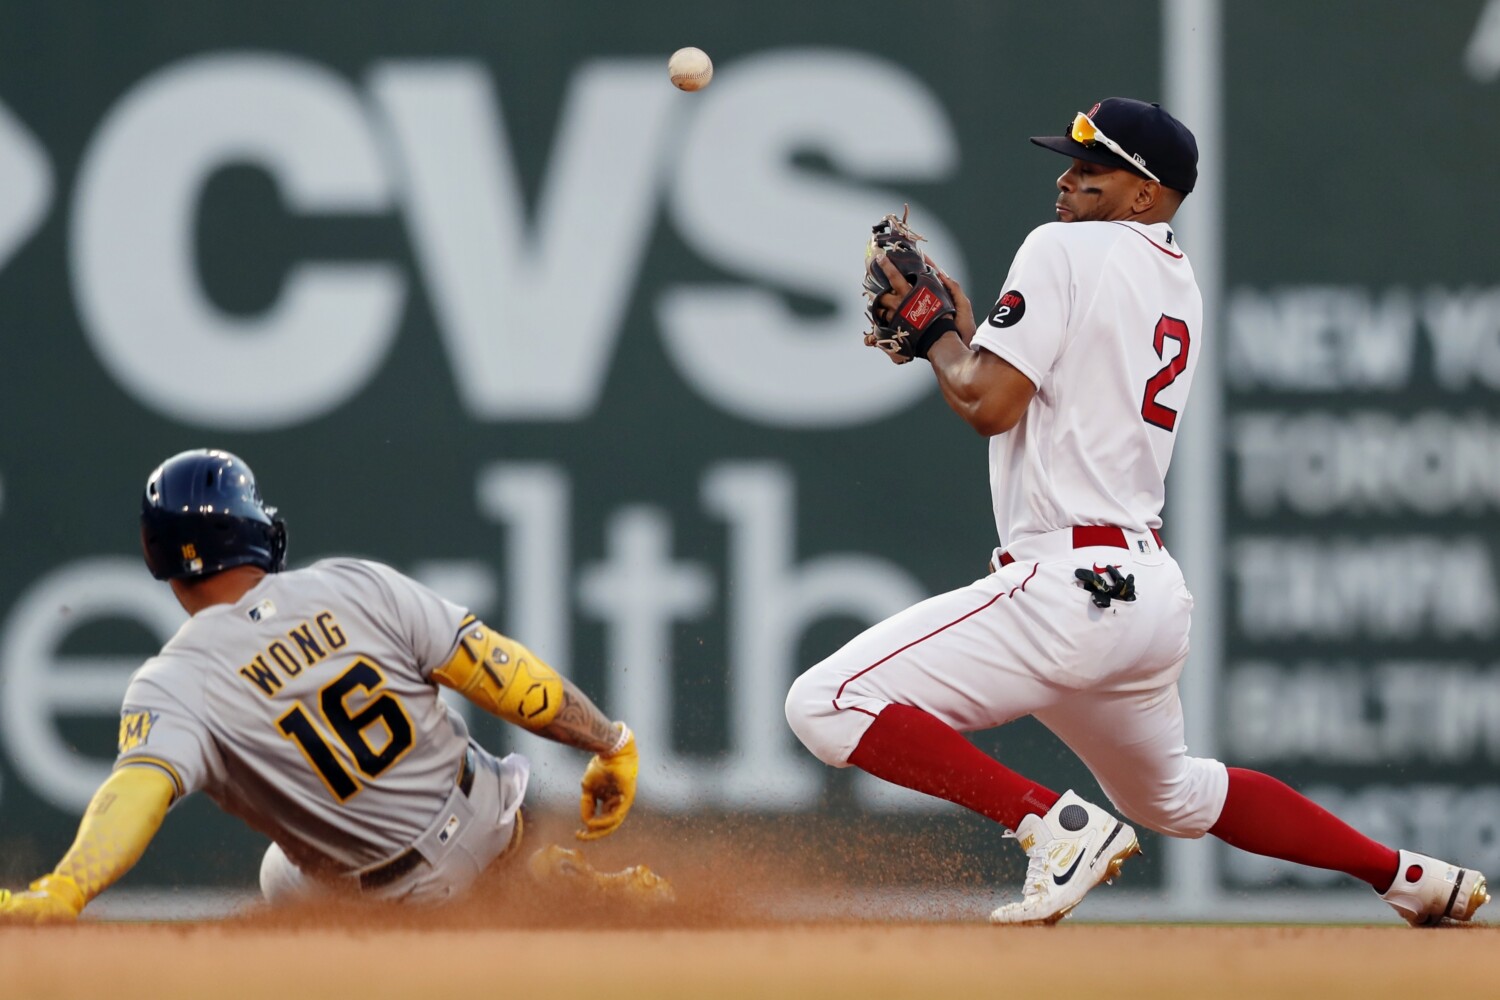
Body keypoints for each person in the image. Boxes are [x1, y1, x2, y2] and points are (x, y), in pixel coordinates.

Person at [785, 98, 1490, 926]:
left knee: (825, 702)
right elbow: (1025, 381)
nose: (1067, 180)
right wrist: (957, 335)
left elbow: (990, 406)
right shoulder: (1173, 276)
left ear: (1146, 194)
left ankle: (1054, 825)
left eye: (1092, 171)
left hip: (1066, 586)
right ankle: (1413, 877)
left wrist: (935, 336)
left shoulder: (1062, 247)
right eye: (1070, 164)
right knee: (1178, 794)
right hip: (1144, 591)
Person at [0, 448, 666, 921]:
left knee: (281, 877)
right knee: (321, 852)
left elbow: (134, 794)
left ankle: (462, 925)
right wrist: (609, 741)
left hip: (394, 898)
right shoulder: (353, 582)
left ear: (164, 563)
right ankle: (539, 881)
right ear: (246, 526)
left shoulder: (173, 682)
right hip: (490, 817)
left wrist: (67, 887)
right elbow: (506, 677)